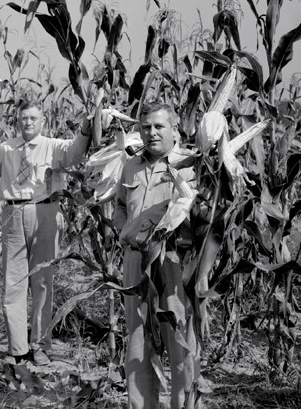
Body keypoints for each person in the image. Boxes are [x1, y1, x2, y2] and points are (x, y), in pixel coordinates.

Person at [0, 100, 90, 365]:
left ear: (42, 120)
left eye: (33, 118)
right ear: (17, 121)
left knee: (43, 283)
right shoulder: (6, 148)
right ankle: (18, 349)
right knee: (14, 283)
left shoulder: (54, 146)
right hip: (13, 215)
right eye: (24, 118)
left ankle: (41, 346)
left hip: (46, 212)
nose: (28, 122)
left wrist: (87, 130)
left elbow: (76, 153)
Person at [113, 100, 200, 409]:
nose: (151, 133)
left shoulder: (191, 164)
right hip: (136, 261)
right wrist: (125, 232)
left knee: (178, 344)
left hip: (175, 263)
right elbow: (120, 206)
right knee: (138, 343)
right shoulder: (131, 164)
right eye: (145, 127)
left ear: (174, 129)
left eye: (159, 126)